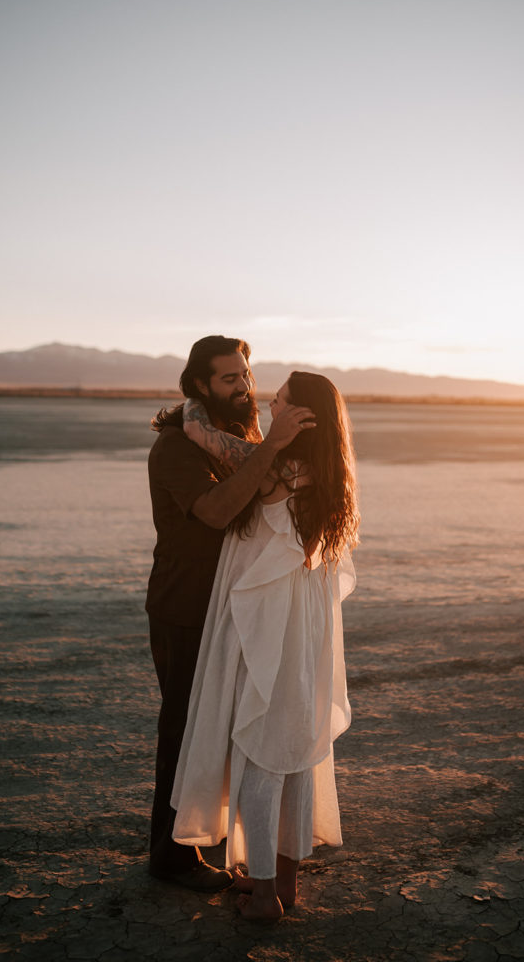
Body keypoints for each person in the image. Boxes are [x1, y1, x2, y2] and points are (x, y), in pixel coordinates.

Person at [171, 371, 359, 918]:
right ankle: (285, 886)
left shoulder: (274, 469)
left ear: (300, 417)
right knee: (297, 754)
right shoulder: (329, 475)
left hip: (269, 632)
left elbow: (206, 437)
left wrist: (192, 410)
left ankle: (263, 895)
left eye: (278, 402)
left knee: (259, 753)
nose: (266, 406)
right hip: (304, 633)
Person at [146, 337, 315, 891]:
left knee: (226, 727)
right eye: (229, 380)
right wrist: (273, 450)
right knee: (186, 727)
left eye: (246, 375)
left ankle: (221, 847)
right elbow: (219, 512)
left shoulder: (238, 440)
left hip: (236, 602)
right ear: (199, 384)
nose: (244, 388)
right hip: (187, 605)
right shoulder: (178, 446)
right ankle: (171, 859)